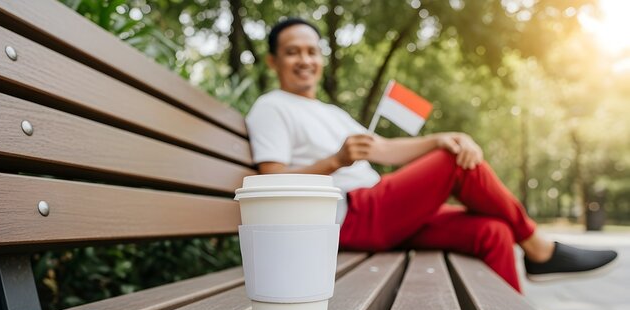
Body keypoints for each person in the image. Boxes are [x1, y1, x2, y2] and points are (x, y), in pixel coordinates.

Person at [245, 18, 618, 292]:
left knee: (493, 232)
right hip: (350, 215)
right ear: (273, 61)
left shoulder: (330, 112)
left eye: (311, 51)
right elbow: (271, 182)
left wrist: (441, 138)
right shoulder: (271, 107)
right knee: (457, 163)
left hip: (382, 208)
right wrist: (335, 162)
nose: (304, 60)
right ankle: (539, 248)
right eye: (292, 52)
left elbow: (386, 150)